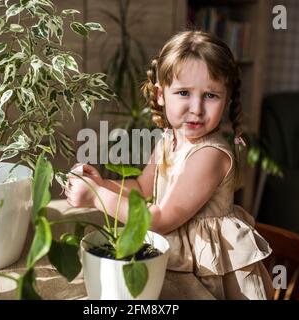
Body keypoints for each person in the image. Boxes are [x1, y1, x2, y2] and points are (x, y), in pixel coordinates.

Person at [65, 31, 273, 300]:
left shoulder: (209, 155)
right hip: (184, 270)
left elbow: (160, 219)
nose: (196, 108)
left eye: (211, 95)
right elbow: (142, 187)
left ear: (227, 98)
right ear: (161, 95)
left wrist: (96, 196)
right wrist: (103, 184)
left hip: (220, 281)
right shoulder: (168, 139)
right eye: (184, 92)